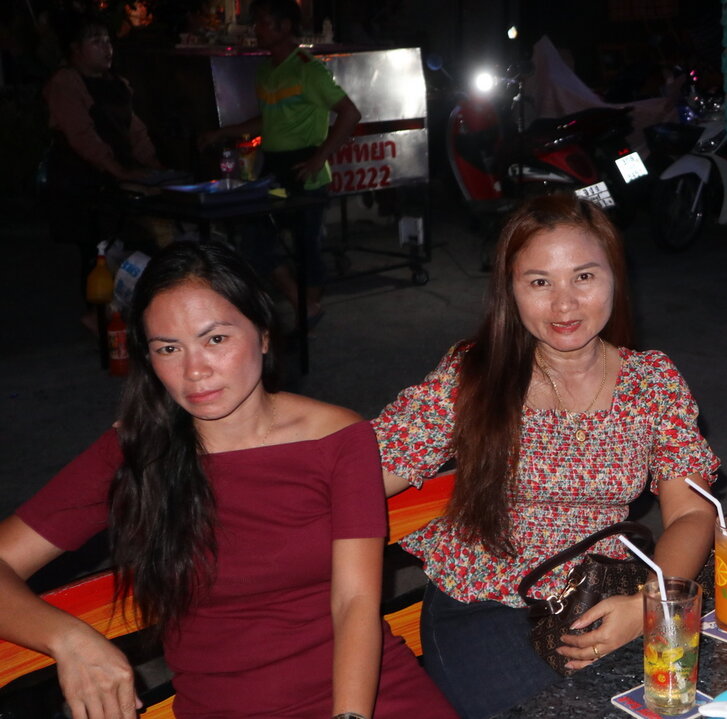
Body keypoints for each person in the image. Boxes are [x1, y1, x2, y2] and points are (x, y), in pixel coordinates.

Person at [0, 242, 456, 719]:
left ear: (263, 334)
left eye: (215, 339)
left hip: (366, 699)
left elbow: (354, 601)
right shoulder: (136, 451)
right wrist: (69, 638)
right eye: (168, 349)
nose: (195, 371)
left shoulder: (338, 437)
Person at [374, 194, 719, 718]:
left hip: (603, 593)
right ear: (510, 290)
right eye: (540, 282)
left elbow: (692, 511)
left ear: (615, 277)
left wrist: (650, 605)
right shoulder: (475, 375)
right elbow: (365, 471)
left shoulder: (652, 381)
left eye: (584, 277)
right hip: (483, 603)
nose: (564, 305)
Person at [200, 0, 362, 327]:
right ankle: (306, 309)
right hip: (274, 169)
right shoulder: (266, 70)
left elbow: (350, 113)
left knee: (306, 246)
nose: (256, 29)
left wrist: (318, 159)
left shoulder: (307, 69)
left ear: (285, 26)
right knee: (256, 239)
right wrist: (223, 132)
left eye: (263, 22)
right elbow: (269, 120)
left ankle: (306, 315)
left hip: (304, 170)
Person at [43, 12, 166, 320]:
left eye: (107, 40)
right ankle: (97, 318)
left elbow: (135, 131)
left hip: (116, 178)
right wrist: (119, 171)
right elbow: (82, 136)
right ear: (75, 49)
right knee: (96, 251)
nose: (106, 47)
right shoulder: (65, 83)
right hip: (81, 180)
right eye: (95, 41)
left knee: (134, 244)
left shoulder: (118, 84)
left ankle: (122, 314)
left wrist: (155, 169)